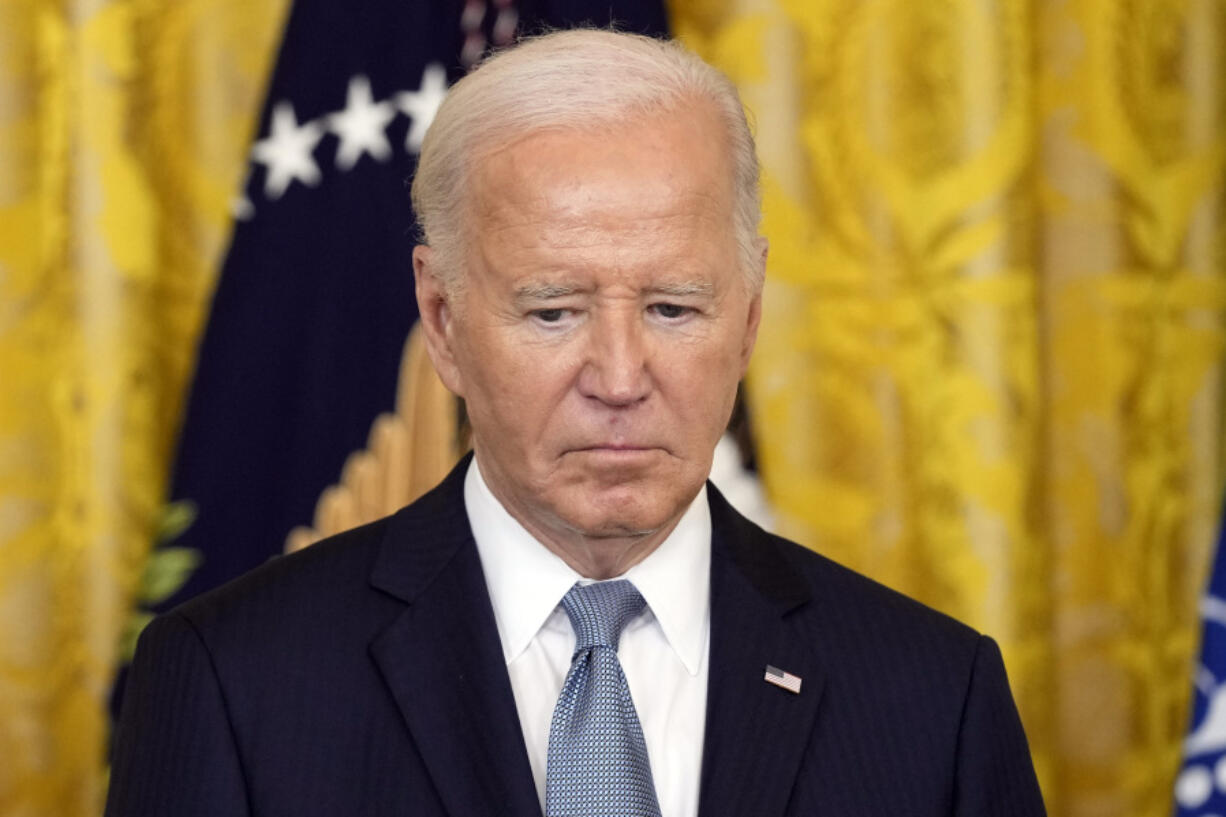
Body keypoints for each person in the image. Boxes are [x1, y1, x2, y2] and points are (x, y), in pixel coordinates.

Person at [106, 29, 1046, 817]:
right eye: (554, 310)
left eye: (674, 307)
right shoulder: (233, 682)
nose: (621, 376)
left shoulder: (934, 697)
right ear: (441, 318)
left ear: (750, 315)